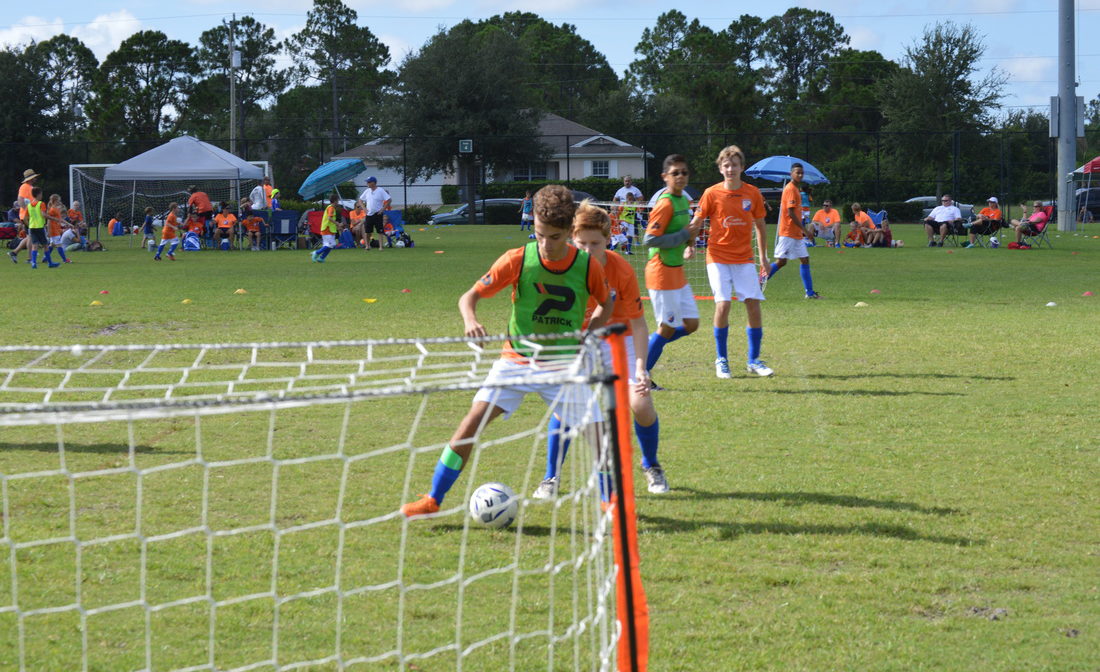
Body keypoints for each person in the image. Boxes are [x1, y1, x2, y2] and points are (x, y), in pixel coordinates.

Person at [401, 185, 612, 518]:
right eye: (539, 235)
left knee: (600, 438)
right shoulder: (518, 259)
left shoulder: (587, 267)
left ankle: (610, 504)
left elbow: (606, 303)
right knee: (469, 425)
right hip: (515, 362)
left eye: (555, 237)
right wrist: (471, 320)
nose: (545, 244)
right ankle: (433, 498)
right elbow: (468, 297)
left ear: (570, 231)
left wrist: (588, 332)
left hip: (563, 367)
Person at [536, 201, 666, 498]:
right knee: (566, 405)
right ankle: (550, 477)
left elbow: (640, 324)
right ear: (571, 238)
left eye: (596, 244)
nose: (588, 250)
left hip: (619, 340)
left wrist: (641, 367)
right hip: (579, 340)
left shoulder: (620, 270)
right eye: (581, 243)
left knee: (641, 403)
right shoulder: (559, 266)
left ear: (608, 240)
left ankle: (651, 466)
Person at [691, 145, 772, 379]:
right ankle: (722, 359)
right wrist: (688, 245)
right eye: (726, 165)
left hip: (744, 258)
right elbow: (697, 222)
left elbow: (760, 226)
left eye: (734, 165)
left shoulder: (753, 193)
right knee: (723, 304)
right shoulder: (711, 193)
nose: (730, 169)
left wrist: (764, 257)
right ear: (720, 168)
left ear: (741, 168)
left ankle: (753, 360)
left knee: (753, 304)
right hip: (717, 257)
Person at [643, 154, 703, 389]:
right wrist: (684, 237)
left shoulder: (683, 201)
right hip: (661, 272)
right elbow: (649, 240)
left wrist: (689, 246)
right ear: (665, 177)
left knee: (691, 324)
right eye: (675, 173)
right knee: (666, 327)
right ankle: (640, 375)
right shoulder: (666, 203)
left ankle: (650, 344)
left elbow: (686, 230)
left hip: (677, 272)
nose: (680, 176)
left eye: (684, 172)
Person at [766, 163, 820, 299]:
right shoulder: (790, 189)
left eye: (802, 173)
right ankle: (756, 284)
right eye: (798, 173)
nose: (800, 175)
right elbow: (790, 212)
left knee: (805, 259)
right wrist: (805, 230)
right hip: (788, 232)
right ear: (791, 174)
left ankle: (810, 293)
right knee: (781, 262)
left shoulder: (796, 189)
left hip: (795, 233)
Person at [9, 169, 39, 263]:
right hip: (28, 216)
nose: (36, 178)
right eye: (34, 177)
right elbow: (20, 200)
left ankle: (15, 252)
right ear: (31, 178)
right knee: (31, 236)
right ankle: (29, 258)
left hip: (29, 215)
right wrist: (28, 212)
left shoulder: (29, 187)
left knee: (30, 236)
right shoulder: (25, 187)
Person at [358, 177, 391, 250]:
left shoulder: (380, 190)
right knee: (367, 232)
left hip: (378, 214)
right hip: (369, 214)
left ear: (373, 183)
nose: (367, 184)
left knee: (380, 231)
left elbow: (389, 200)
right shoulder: (367, 191)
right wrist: (364, 209)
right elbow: (360, 200)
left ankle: (381, 247)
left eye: (369, 182)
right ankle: (367, 246)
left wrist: (382, 209)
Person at [311, 193, 341, 263]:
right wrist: (337, 224)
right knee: (331, 245)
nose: (338, 202)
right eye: (338, 200)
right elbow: (329, 218)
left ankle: (321, 258)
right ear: (335, 201)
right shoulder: (331, 208)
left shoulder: (330, 207)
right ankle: (317, 253)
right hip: (327, 229)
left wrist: (337, 226)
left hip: (330, 229)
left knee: (330, 245)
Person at [24, 186, 49, 269]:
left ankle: (33, 263)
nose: (42, 195)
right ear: (38, 194)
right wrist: (53, 218)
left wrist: (29, 225)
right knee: (45, 245)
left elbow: (25, 218)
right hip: (40, 227)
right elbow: (43, 215)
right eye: (41, 193)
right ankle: (50, 262)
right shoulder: (41, 204)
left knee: (34, 245)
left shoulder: (29, 205)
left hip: (31, 228)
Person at [44, 194, 71, 266]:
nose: (60, 202)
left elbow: (60, 219)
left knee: (52, 244)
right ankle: (65, 259)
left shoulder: (55, 209)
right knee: (59, 244)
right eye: (59, 200)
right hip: (53, 230)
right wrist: (49, 231)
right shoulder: (52, 209)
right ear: (55, 201)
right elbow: (49, 221)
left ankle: (45, 258)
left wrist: (69, 224)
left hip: (56, 229)